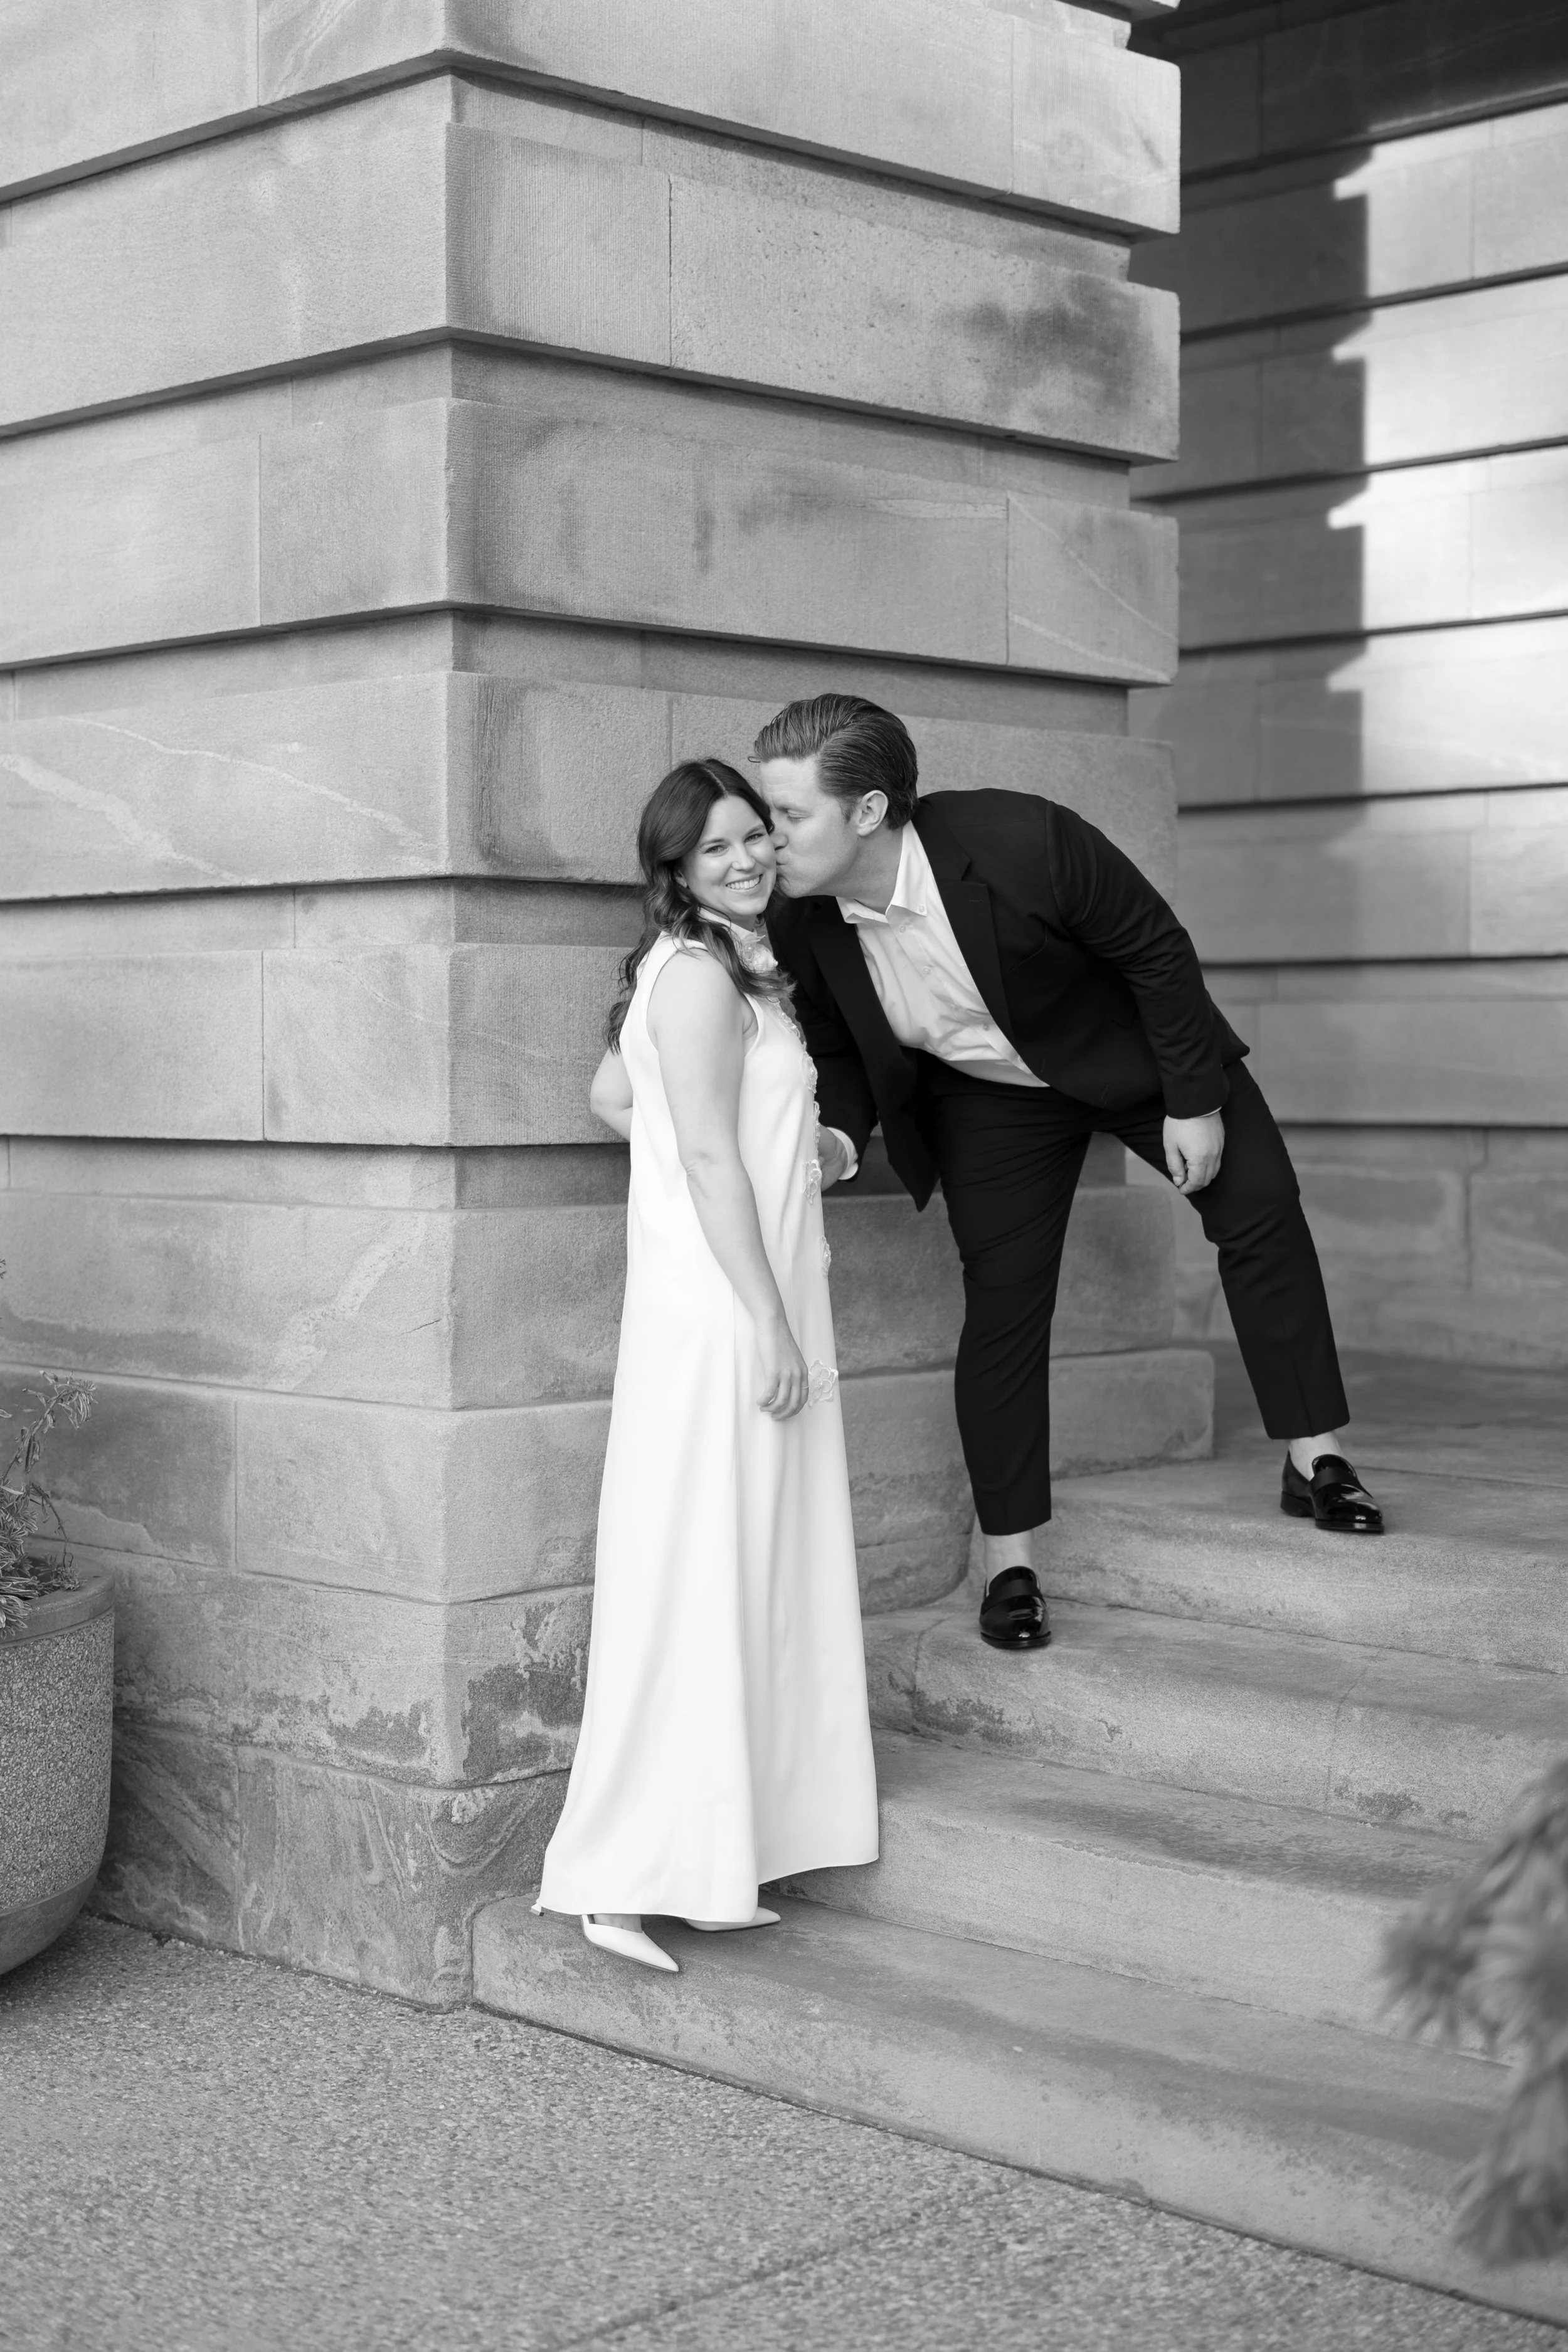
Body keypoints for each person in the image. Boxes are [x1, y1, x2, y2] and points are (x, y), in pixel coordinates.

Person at [756, 695, 1384, 1657]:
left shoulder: (1021, 840)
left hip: (1134, 1057)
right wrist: (839, 1135)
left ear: (869, 811)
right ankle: (1009, 1563)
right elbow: (838, 1046)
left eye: (791, 815)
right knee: (1004, 1303)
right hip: (988, 1100)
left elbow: (1154, 947)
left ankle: (1317, 1457)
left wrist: (1194, 1100)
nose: (769, 836)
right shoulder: (799, 918)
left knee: (1260, 1208)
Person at [535, 758, 879, 1972]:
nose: (744, 859)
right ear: (676, 870)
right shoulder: (693, 975)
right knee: (695, 1569)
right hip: (728, 1315)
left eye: (753, 837)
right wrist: (766, 1317)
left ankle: (713, 1853)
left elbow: (616, 1096)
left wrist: (802, 1149)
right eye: (715, 847)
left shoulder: (729, 966)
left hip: (740, 1297)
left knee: (746, 1568)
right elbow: (706, 1155)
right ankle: (615, 1876)